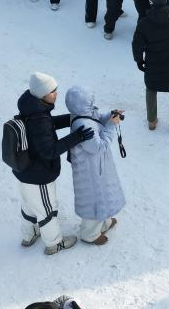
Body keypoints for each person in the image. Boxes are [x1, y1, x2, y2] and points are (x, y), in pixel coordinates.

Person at [14, 72, 94, 255]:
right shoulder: (39, 117)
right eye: (52, 91)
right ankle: (54, 243)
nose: (56, 93)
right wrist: (77, 137)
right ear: (42, 94)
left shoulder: (32, 109)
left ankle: (29, 235)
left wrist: (70, 118)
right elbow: (49, 150)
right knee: (46, 209)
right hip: (38, 175)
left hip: (24, 172)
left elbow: (48, 124)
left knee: (29, 206)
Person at [66, 86, 126, 246]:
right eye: (90, 102)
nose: (93, 105)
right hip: (90, 171)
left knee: (102, 195)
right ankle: (89, 234)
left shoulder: (83, 114)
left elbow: (97, 117)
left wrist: (111, 115)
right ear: (83, 104)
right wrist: (111, 126)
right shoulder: (83, 125)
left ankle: (104, 223)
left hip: (97, 167)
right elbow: (97, 147)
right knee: (93, 199)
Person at [132, 0, 169, 135]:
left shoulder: (144, 23)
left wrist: (139, 60)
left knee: (151, 89)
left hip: (153, 65)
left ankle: (151, 121)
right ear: (167, 3)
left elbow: (137, 44)